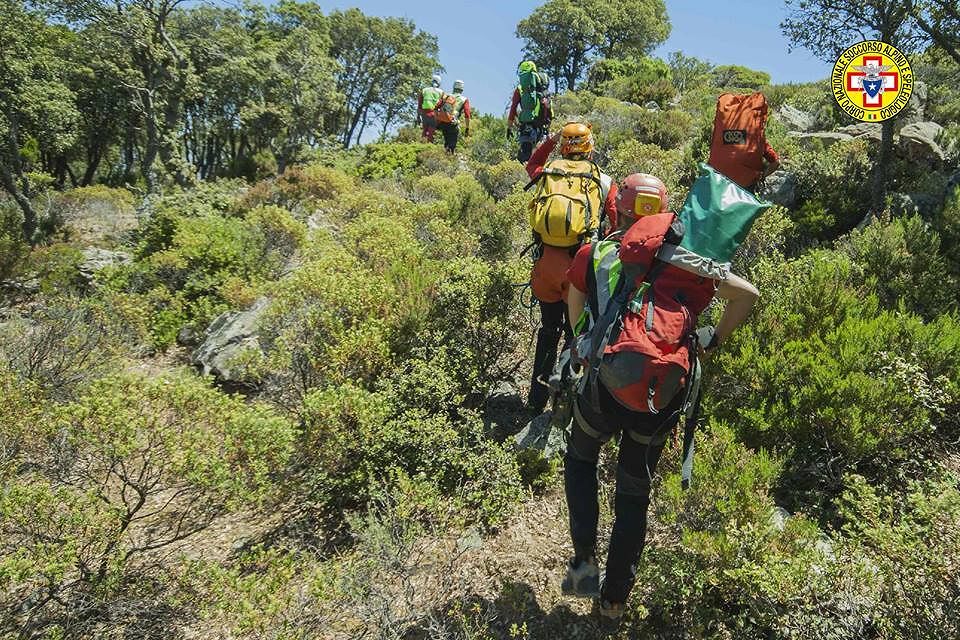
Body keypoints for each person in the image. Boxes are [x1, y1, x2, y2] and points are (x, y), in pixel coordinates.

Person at [560, 173, 760, 621]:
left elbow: (574, 297)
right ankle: (613, 602)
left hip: (604, 382)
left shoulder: (599, 251)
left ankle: (583, 566)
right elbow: (747, 296)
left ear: (619, 209)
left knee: (581, 461)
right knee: (633, 492)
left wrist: (580, 341)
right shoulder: (688, 259)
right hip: (660, 393)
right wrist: (711, 341)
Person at [525, 122, 617, 415]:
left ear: (563, 145)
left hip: (545, 268)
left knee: (548, 330)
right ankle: (562, 404)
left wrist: (549, 139)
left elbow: (533, 162)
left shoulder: (547, 172)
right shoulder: (602, 180)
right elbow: (615, 223)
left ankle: (535, 400)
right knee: (573, 334)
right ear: (590, 145)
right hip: (577, 270)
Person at [507, 61, 553, 163]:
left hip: (527, 126)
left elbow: (513, 109)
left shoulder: (520, 89)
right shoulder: (543, 88)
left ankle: (524, 177)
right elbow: (550, 110)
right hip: (542, 126)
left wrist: (509, 128)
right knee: (541, 157)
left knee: (524, 157)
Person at [436, 79, 471, 153]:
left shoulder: (446, 96)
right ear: (462, 89)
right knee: (452, 145)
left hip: (443, 121)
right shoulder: (464, 99)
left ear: (453, 87)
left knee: (446, 142)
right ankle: (450, 157)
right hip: (453, 123)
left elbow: (436, 107)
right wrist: (467, 128)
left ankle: (445, 155)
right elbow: (467, 115)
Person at [416, 75, 444, 143]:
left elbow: (419, 105)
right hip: (434, 114)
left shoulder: (424, 90)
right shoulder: (441, 92)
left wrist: (418, 117)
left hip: (424, 114)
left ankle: (421, 145)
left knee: (425, 130)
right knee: (432, 131)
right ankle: (429, 146)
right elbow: (443, 104)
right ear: (439, 83)